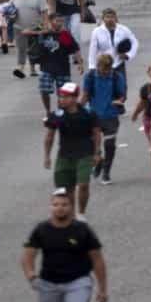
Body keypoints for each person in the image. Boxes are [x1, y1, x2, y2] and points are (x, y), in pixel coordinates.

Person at [22, 191, 108, 302]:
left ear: (71, 207)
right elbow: (28, 256)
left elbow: (97, 259)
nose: (60, 208)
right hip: (48, 284)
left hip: (78, 282)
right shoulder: (41, 229)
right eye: (55, 205)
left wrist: (102, 289)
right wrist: (31, 275)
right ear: (50, 207)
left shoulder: (82, 229)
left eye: (64, 204)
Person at [44, 83, 102, 220]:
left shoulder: (88, 113)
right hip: (64, 155)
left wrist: (97, 153)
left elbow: (97, 134)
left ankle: (81, 213)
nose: (61, 100)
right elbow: (49, 136)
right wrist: (47, 156)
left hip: (85, 154)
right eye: (60, 97)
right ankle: (71, 215)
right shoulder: (56, 115)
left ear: (75, 98)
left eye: (66, 97)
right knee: (65, 190)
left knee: (83, 184)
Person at [24, 13, 82, 117]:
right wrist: (36, 32)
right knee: (44, 90)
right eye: (57, 21)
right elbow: (26, 32)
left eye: (61, 21)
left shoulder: (65, 35)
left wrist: (80, 63)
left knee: (64, 94)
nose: (59, 23)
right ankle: (48, 111)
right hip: (46, 67)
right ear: (50, 21)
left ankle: (61, 112)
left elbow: (75, 49)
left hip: (63, 68)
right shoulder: (44, 33)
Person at [82, 54, 127, 185]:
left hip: (111, 115)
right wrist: (77, 110)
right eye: (103, 69)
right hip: (93, 115)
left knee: (110, 145)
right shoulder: (89, 76)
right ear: (97, 66)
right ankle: (99, 160)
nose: (106, 72)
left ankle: (106, 172)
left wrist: (119, 101)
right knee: (90, 145)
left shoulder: (116, 77)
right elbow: (85, 95)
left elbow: (122, 95)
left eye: (108, 69)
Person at [11, 0, 49, 79]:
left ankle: (33, 69)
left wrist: (46, 26)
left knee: (34, 50)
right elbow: (9, 13)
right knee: (21, 49)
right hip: (19, 28)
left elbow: (44, 13)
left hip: (35, 28)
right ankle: (20, 68)